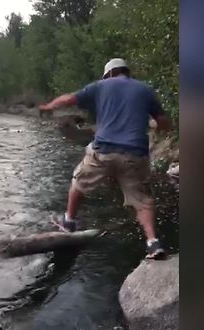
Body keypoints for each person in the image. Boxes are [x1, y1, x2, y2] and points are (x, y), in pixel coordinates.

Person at [38, 58, 172, 259]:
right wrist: (156, 128)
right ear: (126, 72)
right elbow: (164, 122)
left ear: (108, 74)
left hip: (104, 152)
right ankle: (153, 243)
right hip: (135, 154)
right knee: (142, 201)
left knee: (79, 181)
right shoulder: (145, 89)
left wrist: (49, 107)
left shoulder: (100, 86)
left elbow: (68, 99)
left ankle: (68, 221)